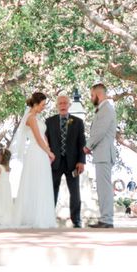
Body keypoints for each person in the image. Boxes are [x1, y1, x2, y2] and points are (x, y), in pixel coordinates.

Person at [12, 92, 57, 229]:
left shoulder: (37, 118)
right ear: (36, 104)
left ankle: (41, 215)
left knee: (42, 182)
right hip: (35, 152)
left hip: (42, 152)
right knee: (35, 182)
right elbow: (37, 138)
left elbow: (43, 136)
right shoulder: (31, 118)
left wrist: (48, 150)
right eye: (42, 105)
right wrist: (49, 152)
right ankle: (32, 217)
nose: (44, 107)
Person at [47, 94, 86, 228]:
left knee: (75, 192)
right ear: (57, 106)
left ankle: (76, 220)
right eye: (60, 103)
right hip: (55, 163)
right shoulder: (49, 122)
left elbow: (82, 143)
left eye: (65, 103)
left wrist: (81, 161)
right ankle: (48, 219)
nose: (63, 106)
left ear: (69, 105)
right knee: (51, 191)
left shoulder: (78, 122)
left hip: (73, 164)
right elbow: (47, 143)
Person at [85, 81, 117, 229]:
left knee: (104, 188)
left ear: (98, 95)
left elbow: (99, 131)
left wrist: (87, 146)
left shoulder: (106, 109)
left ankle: (107, 219)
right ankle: (105, 217)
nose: (91, 98)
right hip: (101, 154)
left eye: (92, 95)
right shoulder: (103, 109)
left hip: (104, 154)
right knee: (102, 187)